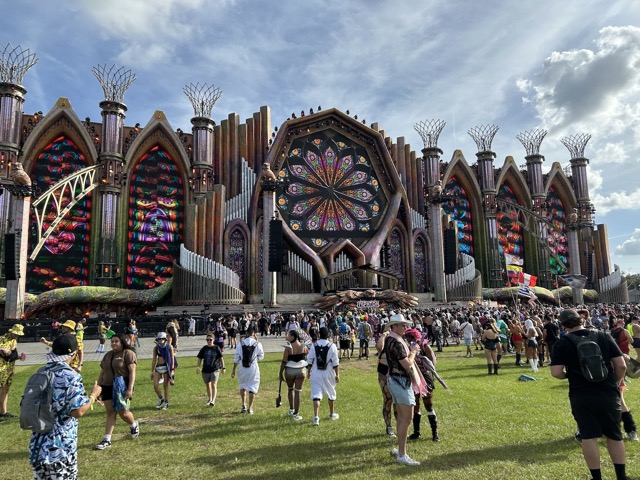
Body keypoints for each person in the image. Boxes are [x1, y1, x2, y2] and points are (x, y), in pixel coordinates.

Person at [550, 309, 629, 480]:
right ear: (582, 319)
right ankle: (621, 476)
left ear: (563, 325)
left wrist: (568, 375)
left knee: (589, 436)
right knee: (614, 434)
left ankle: (596, 477)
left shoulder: (562, 342)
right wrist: (614, 381)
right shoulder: (603, 336)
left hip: (581, 393)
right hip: (607, 391)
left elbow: (556, 372)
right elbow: (621, 365)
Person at [28, 334, 102, 480]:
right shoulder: (69, 375)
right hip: (60, 447)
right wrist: (93, 395)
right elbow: (77, 411)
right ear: (74, 354)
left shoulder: (41, 372)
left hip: (38, 444)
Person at [385, 313, 421, 466]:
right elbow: (407, 364)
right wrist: (413, 351)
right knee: (407, 418)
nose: (405, 327)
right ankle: (402, 454)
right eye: (402, 325)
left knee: (401, 418)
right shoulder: (398, 343)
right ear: (394, 326)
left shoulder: (389, 339)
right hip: (400, 381)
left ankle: (401, 449)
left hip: (394, 380)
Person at [95, 332, 139, 450]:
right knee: (110, 412)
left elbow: (132, 372)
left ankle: (133, 424)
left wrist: (130, 388)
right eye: (112, 341)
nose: (113, 343)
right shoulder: (108, 355)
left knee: (122, 412)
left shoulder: (128, 353)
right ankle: (107, 439)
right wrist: (98, 388)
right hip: (107, 385)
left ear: (122, 342)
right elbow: (102, 372)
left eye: (116, 341)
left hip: (121, 386)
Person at [404, 328, 440, 442]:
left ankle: (435, 433)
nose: (408, 340)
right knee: (415, 405)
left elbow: (432, 363)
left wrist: (421, 362)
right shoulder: (407, 347)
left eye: (409, 338)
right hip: (412, 379)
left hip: (425, 379)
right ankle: (416, 432)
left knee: (428, 405)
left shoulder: (425, 346)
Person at [306, 326, 339, 426]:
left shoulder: (314, 345)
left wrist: (309, 372)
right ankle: (332, 413)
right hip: (328, 372)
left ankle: (316, 417)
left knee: (316, 394)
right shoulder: (332, 346)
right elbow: (335, 363)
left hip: (316, 372)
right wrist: (337, 374)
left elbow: (310, 360)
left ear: (319, 334)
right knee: (331, 392)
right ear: (328, 334)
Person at [231, 327, 264, 414]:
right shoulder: (258, 344)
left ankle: (243, 405)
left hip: (242, 367)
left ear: (246, 333)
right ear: (254, 333)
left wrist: (233, 370)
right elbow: (261, 357)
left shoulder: (240, 344)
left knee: (242, 386)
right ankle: (251, 408)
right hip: (253, 367)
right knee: (252, 387)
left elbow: (236, 359)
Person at [279, 329, 308, 420]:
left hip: (290, 371)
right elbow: (307, 357)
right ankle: (296, 413)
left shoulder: (288, 348)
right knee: (298, 391)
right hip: (301, 371)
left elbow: (284, 361)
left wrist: (280, 373)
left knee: (290, 389)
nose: (287, 337)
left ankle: (291, 409)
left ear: (292, 337)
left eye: (288, 335)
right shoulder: (304, 346)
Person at [0, 324, 25, 418]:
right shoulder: (2, 339)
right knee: (1, 389)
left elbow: (10, 356)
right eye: (15, 334)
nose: (16, 336)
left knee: (6, 390)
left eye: (18, 335)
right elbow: (4, 353)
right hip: (1, 369)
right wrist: (4, 351)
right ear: (11, 331)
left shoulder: (14, 341)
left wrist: (19, 357)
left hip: (9, 368)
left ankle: (3, 412)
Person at [376, 327, 396, 437]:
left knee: (398, 402)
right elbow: (379, 347)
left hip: (396, 374)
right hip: (384, 373)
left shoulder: (398, 341)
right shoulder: (383, 343)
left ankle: (400, 426)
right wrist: (384, 335)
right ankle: (389, 427)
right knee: (388, 400)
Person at [196, 333, 225, 406]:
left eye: (210, 340)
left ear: (213, 340)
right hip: (205, 370)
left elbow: (221, 358)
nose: (209, 341)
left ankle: (213, 401)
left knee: (213, 384)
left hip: (215, 369)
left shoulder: (216, 348)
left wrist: (223, 367)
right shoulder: (204, 348)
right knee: (208, 385)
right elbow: (199, 358)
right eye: (207, 340)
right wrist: (198, 366)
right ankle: (209, 399)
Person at [151, 331, 177, 410]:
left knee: (165, 386)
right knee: (155, 385)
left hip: (166, 368)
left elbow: (172, 358)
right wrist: (152, 371)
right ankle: (161, 398)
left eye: (162, 339)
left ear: (165, 339)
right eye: (159, 339)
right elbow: (154, 360)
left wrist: (172, 370)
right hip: (158, 367)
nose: (161, 340)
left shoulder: (169, 347)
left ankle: (166, 402)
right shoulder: (156, 348)